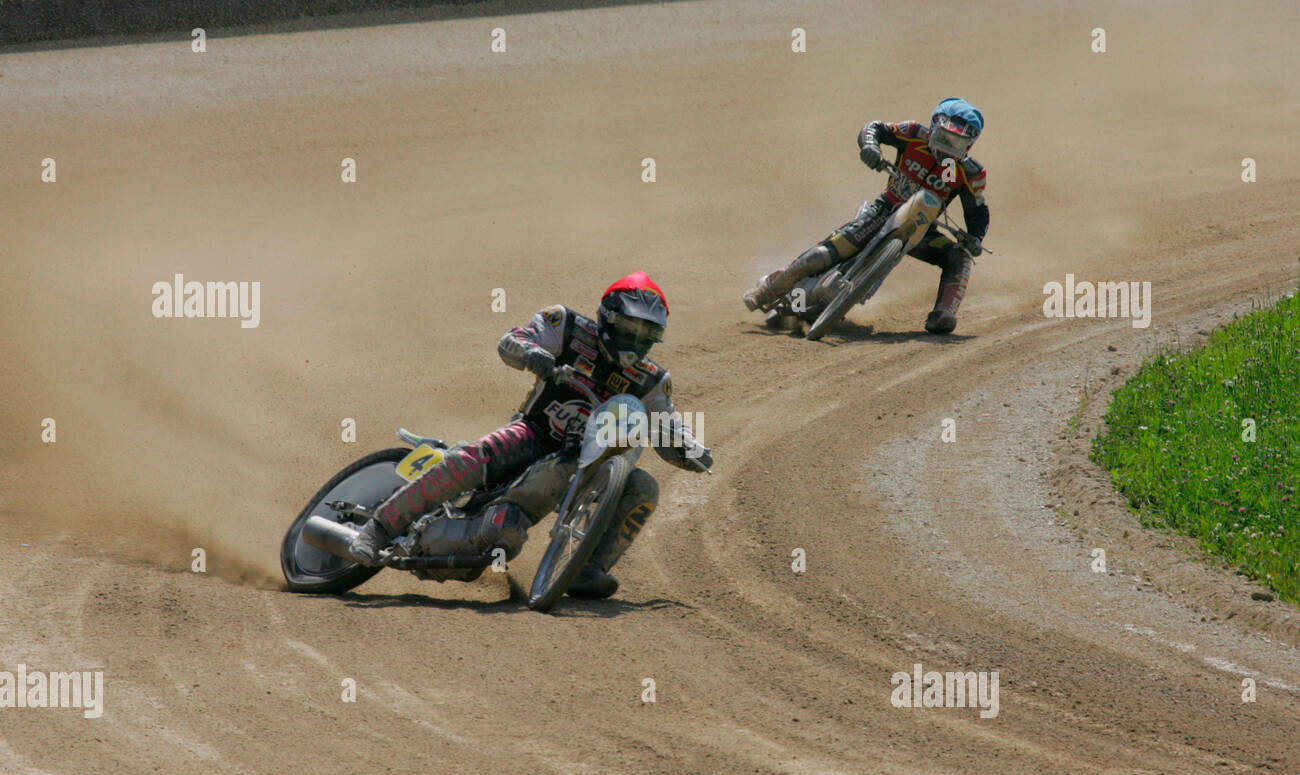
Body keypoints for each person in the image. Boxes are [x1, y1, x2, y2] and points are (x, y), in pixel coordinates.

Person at [347, 271, 712, 599]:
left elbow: (667, 426)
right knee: (476, 457)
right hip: (536, 432)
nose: (637, 341)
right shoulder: (566, 325)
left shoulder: (652, 380)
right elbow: (512, 340)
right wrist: (534, 355)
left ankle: (586, 570)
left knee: (644, 487)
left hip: (596, 460)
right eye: (631, 329)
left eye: (648, 335)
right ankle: (380, 527)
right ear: (608, 319)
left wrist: (691, 450)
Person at [744, 97, 989, 334]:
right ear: (934, 127)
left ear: (969, 145)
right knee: (825, 253)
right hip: (882, 211)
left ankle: (944, 314)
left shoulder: (971, 173)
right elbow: (875, 128)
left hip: (923, 229)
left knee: (960, 256)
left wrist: (975, 238)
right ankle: (768, 289)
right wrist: (870, 146)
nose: (947, 149)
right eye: (944, 138)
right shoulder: (913, 133)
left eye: (956, 144)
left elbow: (977, 211)